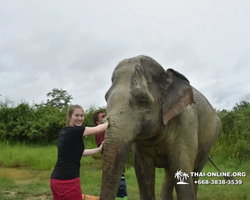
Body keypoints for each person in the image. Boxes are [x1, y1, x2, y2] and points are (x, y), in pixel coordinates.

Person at [50, 105, 108, 200]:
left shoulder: (65, 131)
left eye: (82, 115)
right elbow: (99, 129)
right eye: (77, 115)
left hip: (57, 180)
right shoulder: (75, 130)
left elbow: (79, 152)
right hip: (68, 181)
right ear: (69, 117)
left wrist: (98, 150)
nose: (80, 118)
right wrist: (108, 120)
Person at [92, 110, 128, 200]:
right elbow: (106, 147)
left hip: (116, 165)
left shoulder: (107, 130)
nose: (106, 118)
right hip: (112, 166)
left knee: (121, 190)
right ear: (98, 122)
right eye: (103, 117)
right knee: (118, 190)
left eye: (106, 115)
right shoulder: (101, 132)